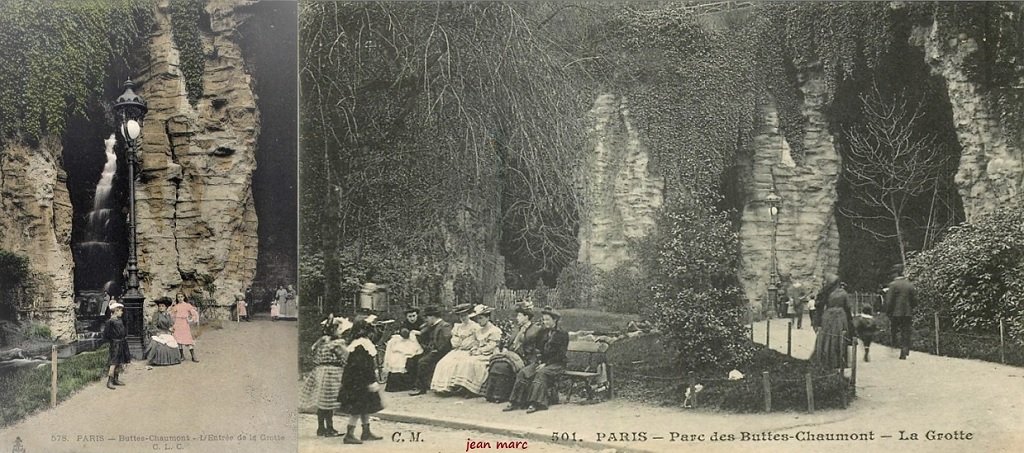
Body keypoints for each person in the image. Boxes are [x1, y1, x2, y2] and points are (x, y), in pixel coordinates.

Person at [504, 307, 569, 414]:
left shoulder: (562, 334)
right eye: (544, 319)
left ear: (555, 320)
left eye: (548, 320)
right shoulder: (542, 332)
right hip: (542, 362)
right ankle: (515, 401)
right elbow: (537, 349)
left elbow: (561, 355)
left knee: (541, 373)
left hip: (557, 364)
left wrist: (545, 363)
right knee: (524, 372)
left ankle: (535, 403)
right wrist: (538, 361)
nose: (545, 322)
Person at [300, 314, 352, 437]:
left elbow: (314, 353)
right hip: (331, 373)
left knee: (322, 402)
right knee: (329, 402)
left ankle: (321, 428)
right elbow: (346, 357)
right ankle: (329, 428)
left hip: (319, 371)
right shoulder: (338, 343)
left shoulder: (322, 341)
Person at [433, 305, 500, 396]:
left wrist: (479, 351)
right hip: (478, 352)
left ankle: (470, 389)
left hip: (489, 353)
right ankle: (448, 387)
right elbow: (476, 342)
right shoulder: (479, 330)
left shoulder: (494, 330)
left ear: (488, 318)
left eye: (481, 318)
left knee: (469, 362)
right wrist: (474, 348)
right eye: (478, 319)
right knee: (445, 362)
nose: (479, 321)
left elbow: (491, 346)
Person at [484, 302, 542, 403]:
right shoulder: (516, 328)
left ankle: (500, 396)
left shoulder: (535, 330)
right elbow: (508, 341)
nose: (517, 318)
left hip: (526, 358)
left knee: (503, 366)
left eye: (519, 315)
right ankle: (491, 394)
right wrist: (505, 348)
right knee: (497, 363)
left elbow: (535, 347)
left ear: (526, 316)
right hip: (513, 355)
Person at [337, 320, 384, 444]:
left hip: (357, 381)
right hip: (359, 382)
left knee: (365, 407)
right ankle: (349, 434)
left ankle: (366, 431)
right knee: (357, 409)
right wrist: (371, 381)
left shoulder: (359, 344)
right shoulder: (361, 346)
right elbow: (362, 367)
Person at [430, 303, 479, 394]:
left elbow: (478, 340)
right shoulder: (457, 327)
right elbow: (454, 341)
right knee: (444, 363)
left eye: (464, 315)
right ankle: (444, 387)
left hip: (468, 351)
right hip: (457, 350)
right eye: (461, 316)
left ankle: (461, 387)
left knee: (460, 364)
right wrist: (458, 342)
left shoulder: (475, 327)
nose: (463, 318)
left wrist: (469, 345)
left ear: (469, 315)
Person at [407, 306, 452, 396]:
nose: (426, 320)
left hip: (441, 353)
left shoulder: (444, 325)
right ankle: (420, 384)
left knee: (422, 362)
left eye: (427, 317)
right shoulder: (431, 325)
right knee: (413, 357)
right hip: (432, 350)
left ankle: (422, 388)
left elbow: (445, 343)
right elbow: (423, 332)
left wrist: (434, 350)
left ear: (432, 317)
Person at [811, 277, 853, 369]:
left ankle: (825, 359)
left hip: (828, 316)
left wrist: (817, 321)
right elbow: (848, 307)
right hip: (840, 316)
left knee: (826, 337)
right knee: (840, 336)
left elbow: (819, 306)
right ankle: (839, 360)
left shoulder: (826, 293)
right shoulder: (843, 293)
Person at [885, 264, 917, 360]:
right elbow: (914, 300)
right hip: (907, 313)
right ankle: (905, 348)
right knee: (906, 331)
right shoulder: (910, 284)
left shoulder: (893, 285)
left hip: (895, 313)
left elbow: (889, 301)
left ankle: (895, 345)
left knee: (894, 330)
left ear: (896, 273)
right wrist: (911, 308)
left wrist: (888, 311)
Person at [103, 301, 132, 389]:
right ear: (115, 311)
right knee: (113, 362)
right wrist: (112, 340)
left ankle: (116, 379)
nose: (122, 312)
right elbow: (106, 334)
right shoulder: (110, 322)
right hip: (115, 344)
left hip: (121, 343)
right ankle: (110, 381)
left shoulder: (119, 320)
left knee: (119, 361)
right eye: (120, 311)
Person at [145, 297, 181, 366]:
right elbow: (153, 326)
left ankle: (172, 360)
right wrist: (158, 333)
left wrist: (171, 328)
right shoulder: (156, 315)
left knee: (172, 343)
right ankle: (158, 361)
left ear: (166, 307)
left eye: (162, 306)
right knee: (160, 344)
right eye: (159, 306)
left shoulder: (168, 315)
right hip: (159, 333)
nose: (161, 307)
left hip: (167, 333)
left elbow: (171, 324)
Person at [170, 292, 200, 362]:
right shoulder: (176, 306)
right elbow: (172, 316)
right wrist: (173, 324)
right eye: (178, 297)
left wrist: (190, 320)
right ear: (177, 298)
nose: (180, 298)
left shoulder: (187, 305)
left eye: (181, 297)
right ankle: (182, 356)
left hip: (184, 324)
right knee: (179, 341)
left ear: (184, 297)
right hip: (177, 323)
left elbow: (194, 313)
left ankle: (193, 356)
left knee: (188, 340)